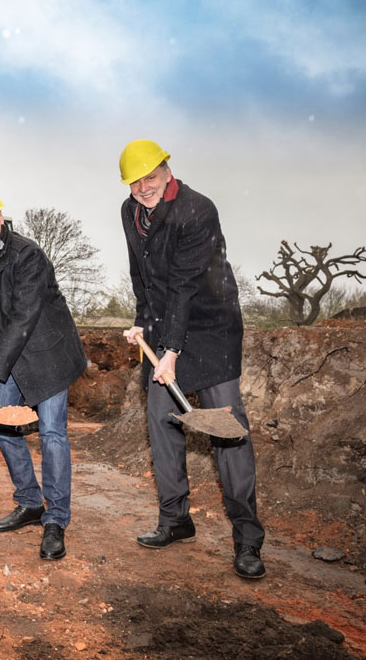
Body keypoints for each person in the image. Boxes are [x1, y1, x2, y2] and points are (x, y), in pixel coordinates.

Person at [117, 139, 266, 579]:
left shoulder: (198, 210)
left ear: (167, 170)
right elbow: (139, 274)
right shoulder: (130, 212)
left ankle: (248, 539)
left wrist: (173, 352)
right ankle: (176, 520)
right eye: (134, 182)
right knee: (162, 425)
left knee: (227, 432)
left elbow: (184, 284)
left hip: (210, 327)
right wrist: (144, 323)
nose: (143, 187)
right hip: (164, 328)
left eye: (149, 177)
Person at [0, 184, 87, 561]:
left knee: (51, 434)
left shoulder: (28, 254)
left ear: (2, 217)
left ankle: (56, 519)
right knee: (3, 425)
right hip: (11, 353)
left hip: (46, 352)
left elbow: (24, 317)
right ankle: (31, 502)